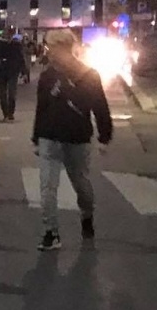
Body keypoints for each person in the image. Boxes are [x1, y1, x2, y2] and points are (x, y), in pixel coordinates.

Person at [32, 29, 112, 251]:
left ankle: (87, 215)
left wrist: (104, 135)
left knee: (81, 183)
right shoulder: (48, 76)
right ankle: (51, 231)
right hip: (51, 136)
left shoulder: (88, 75)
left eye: (51, 47)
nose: (49, 52)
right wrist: (37, 137)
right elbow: (42, 107)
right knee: (48, 187)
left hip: (77, 137)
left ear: (62, 48)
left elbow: (100, 107)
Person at [0, 34, 28, 122]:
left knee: (12, 94)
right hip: (1, 72)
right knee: (3, 95)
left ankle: (10, 113)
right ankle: (6, 114)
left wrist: (24, 72)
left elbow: (21, 59)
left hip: (12, 72)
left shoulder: (16, 46)